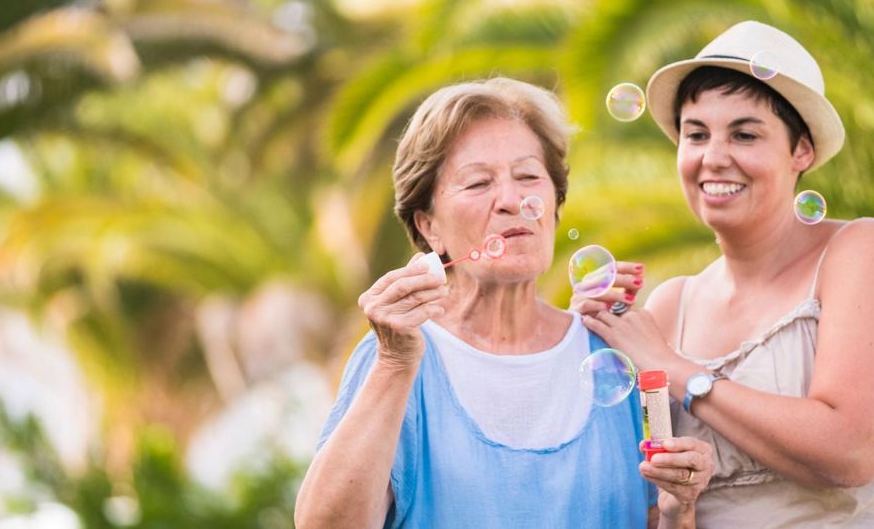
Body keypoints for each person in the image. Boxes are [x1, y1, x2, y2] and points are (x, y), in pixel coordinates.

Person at [578, 22, 874, 526]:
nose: (714, 158)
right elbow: (654, 512)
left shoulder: (859, 250)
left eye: (745, 134)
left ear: (802, 150)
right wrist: (577, 337)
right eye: (696, 134)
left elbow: (851, 452)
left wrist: (675, 368)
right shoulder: (670, 308)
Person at [294, 77, 713, 529]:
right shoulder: (399, 356)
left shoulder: (616, 354)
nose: (513, 201)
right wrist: (395, 363)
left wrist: (680, 510)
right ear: (429, 226)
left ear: (554, 205)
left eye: (529, 177)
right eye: (477, 183)